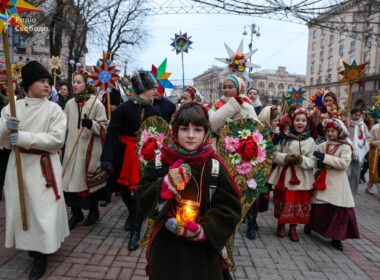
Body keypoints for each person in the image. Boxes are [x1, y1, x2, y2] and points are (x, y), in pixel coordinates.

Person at [137, 102, 242, 280]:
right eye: (185, 129)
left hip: (202, 251)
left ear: (206, 132)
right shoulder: (161, 161)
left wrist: (204, 230)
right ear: (176, 131)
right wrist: (166, 185)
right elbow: (143, 197)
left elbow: (230, 209)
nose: (191, 135)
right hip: (166, 248)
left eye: (198, 129)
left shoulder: (214, 166)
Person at [0, 61, 69, 280]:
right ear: (28, 85)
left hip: (43, 167)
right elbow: (2, 140)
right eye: (41, 81)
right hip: (18, 164)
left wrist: (23, 137)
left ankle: (42, 254)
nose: (47, 85)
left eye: (48, 81)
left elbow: (56, 140)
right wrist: (5, 127)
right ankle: (32, 243)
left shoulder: (54, 110)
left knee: (43, 211)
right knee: (24, 208)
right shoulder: (12, 107)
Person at [100, 70, 160, 251]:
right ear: (143, 89)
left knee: (140, 193)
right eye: (152, 88)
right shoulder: (124, 109)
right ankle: (133, 213)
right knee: (124, 192)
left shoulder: (154, 110)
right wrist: (107, 157)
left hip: (145, 157)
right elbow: (112, 133)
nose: (155, 92)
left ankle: (136, 229)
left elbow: (160, 135)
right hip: (123, 155)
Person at [62, 69, 108, 230]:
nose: (75, 85)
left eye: (78, 82)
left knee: (87, 183)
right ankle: (76, 213)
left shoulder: (96, 103)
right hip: (71, 149)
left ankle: (93, 212)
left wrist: (93, 125)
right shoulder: (69, 103)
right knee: (67, 183)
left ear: (86, 83)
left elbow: (105, 127)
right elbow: (62, 126)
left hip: (89, 151)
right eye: (74, 81)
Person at [308, 118, 359, 250]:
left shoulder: (346, 147)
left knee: (338, 209)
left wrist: (324, 158)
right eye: (328, 131)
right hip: (322, 181)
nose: (330, 133)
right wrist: (317, 164)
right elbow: (312, 160)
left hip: (338, 183)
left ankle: (337, 237)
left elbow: (343, 164)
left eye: (333, 131)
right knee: (320, 207)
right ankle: (311, 225)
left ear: (339, 131)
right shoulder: (322, 145)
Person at [268, 108, 316, 242]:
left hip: (302, 177)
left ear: (307, 123)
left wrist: (301, 160)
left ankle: (293, 227)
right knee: (284, 200)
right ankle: (281, 224)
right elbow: (274, 154)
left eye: (303, 120)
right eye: (297, 120)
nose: (300, 123)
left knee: (299, 202)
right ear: (292, 121)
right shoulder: (284, 138)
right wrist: (286, 158)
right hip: (286, 175)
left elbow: (313, 160)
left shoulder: (311, 141)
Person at [245, 105, 281, 240]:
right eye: (275, 120)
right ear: (267, 119)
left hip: (268, 170)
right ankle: (251, 223)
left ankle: (253, 220)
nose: (277, 123)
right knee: (253, 196)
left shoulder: (275, 135)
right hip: (255, 170)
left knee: (260, 197)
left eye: (278, 121)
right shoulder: (256, 132)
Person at [347, 108, 370, 194]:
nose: (357, 117)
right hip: (347, 152)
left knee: (355, 175)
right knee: (346, 173)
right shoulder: (347, 123)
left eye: (359, 115)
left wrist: (363, 146)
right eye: (355, 115)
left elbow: (368, 138)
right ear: (351, 114)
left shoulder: (362, 126)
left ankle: (352, 194)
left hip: (358, 155)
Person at [366, 120, 380, 194]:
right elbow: (368, 140)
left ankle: (369, 187)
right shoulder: (376, 127)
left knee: (376, 172)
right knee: (375, 171)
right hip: (375, 153)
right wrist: (376, 143)